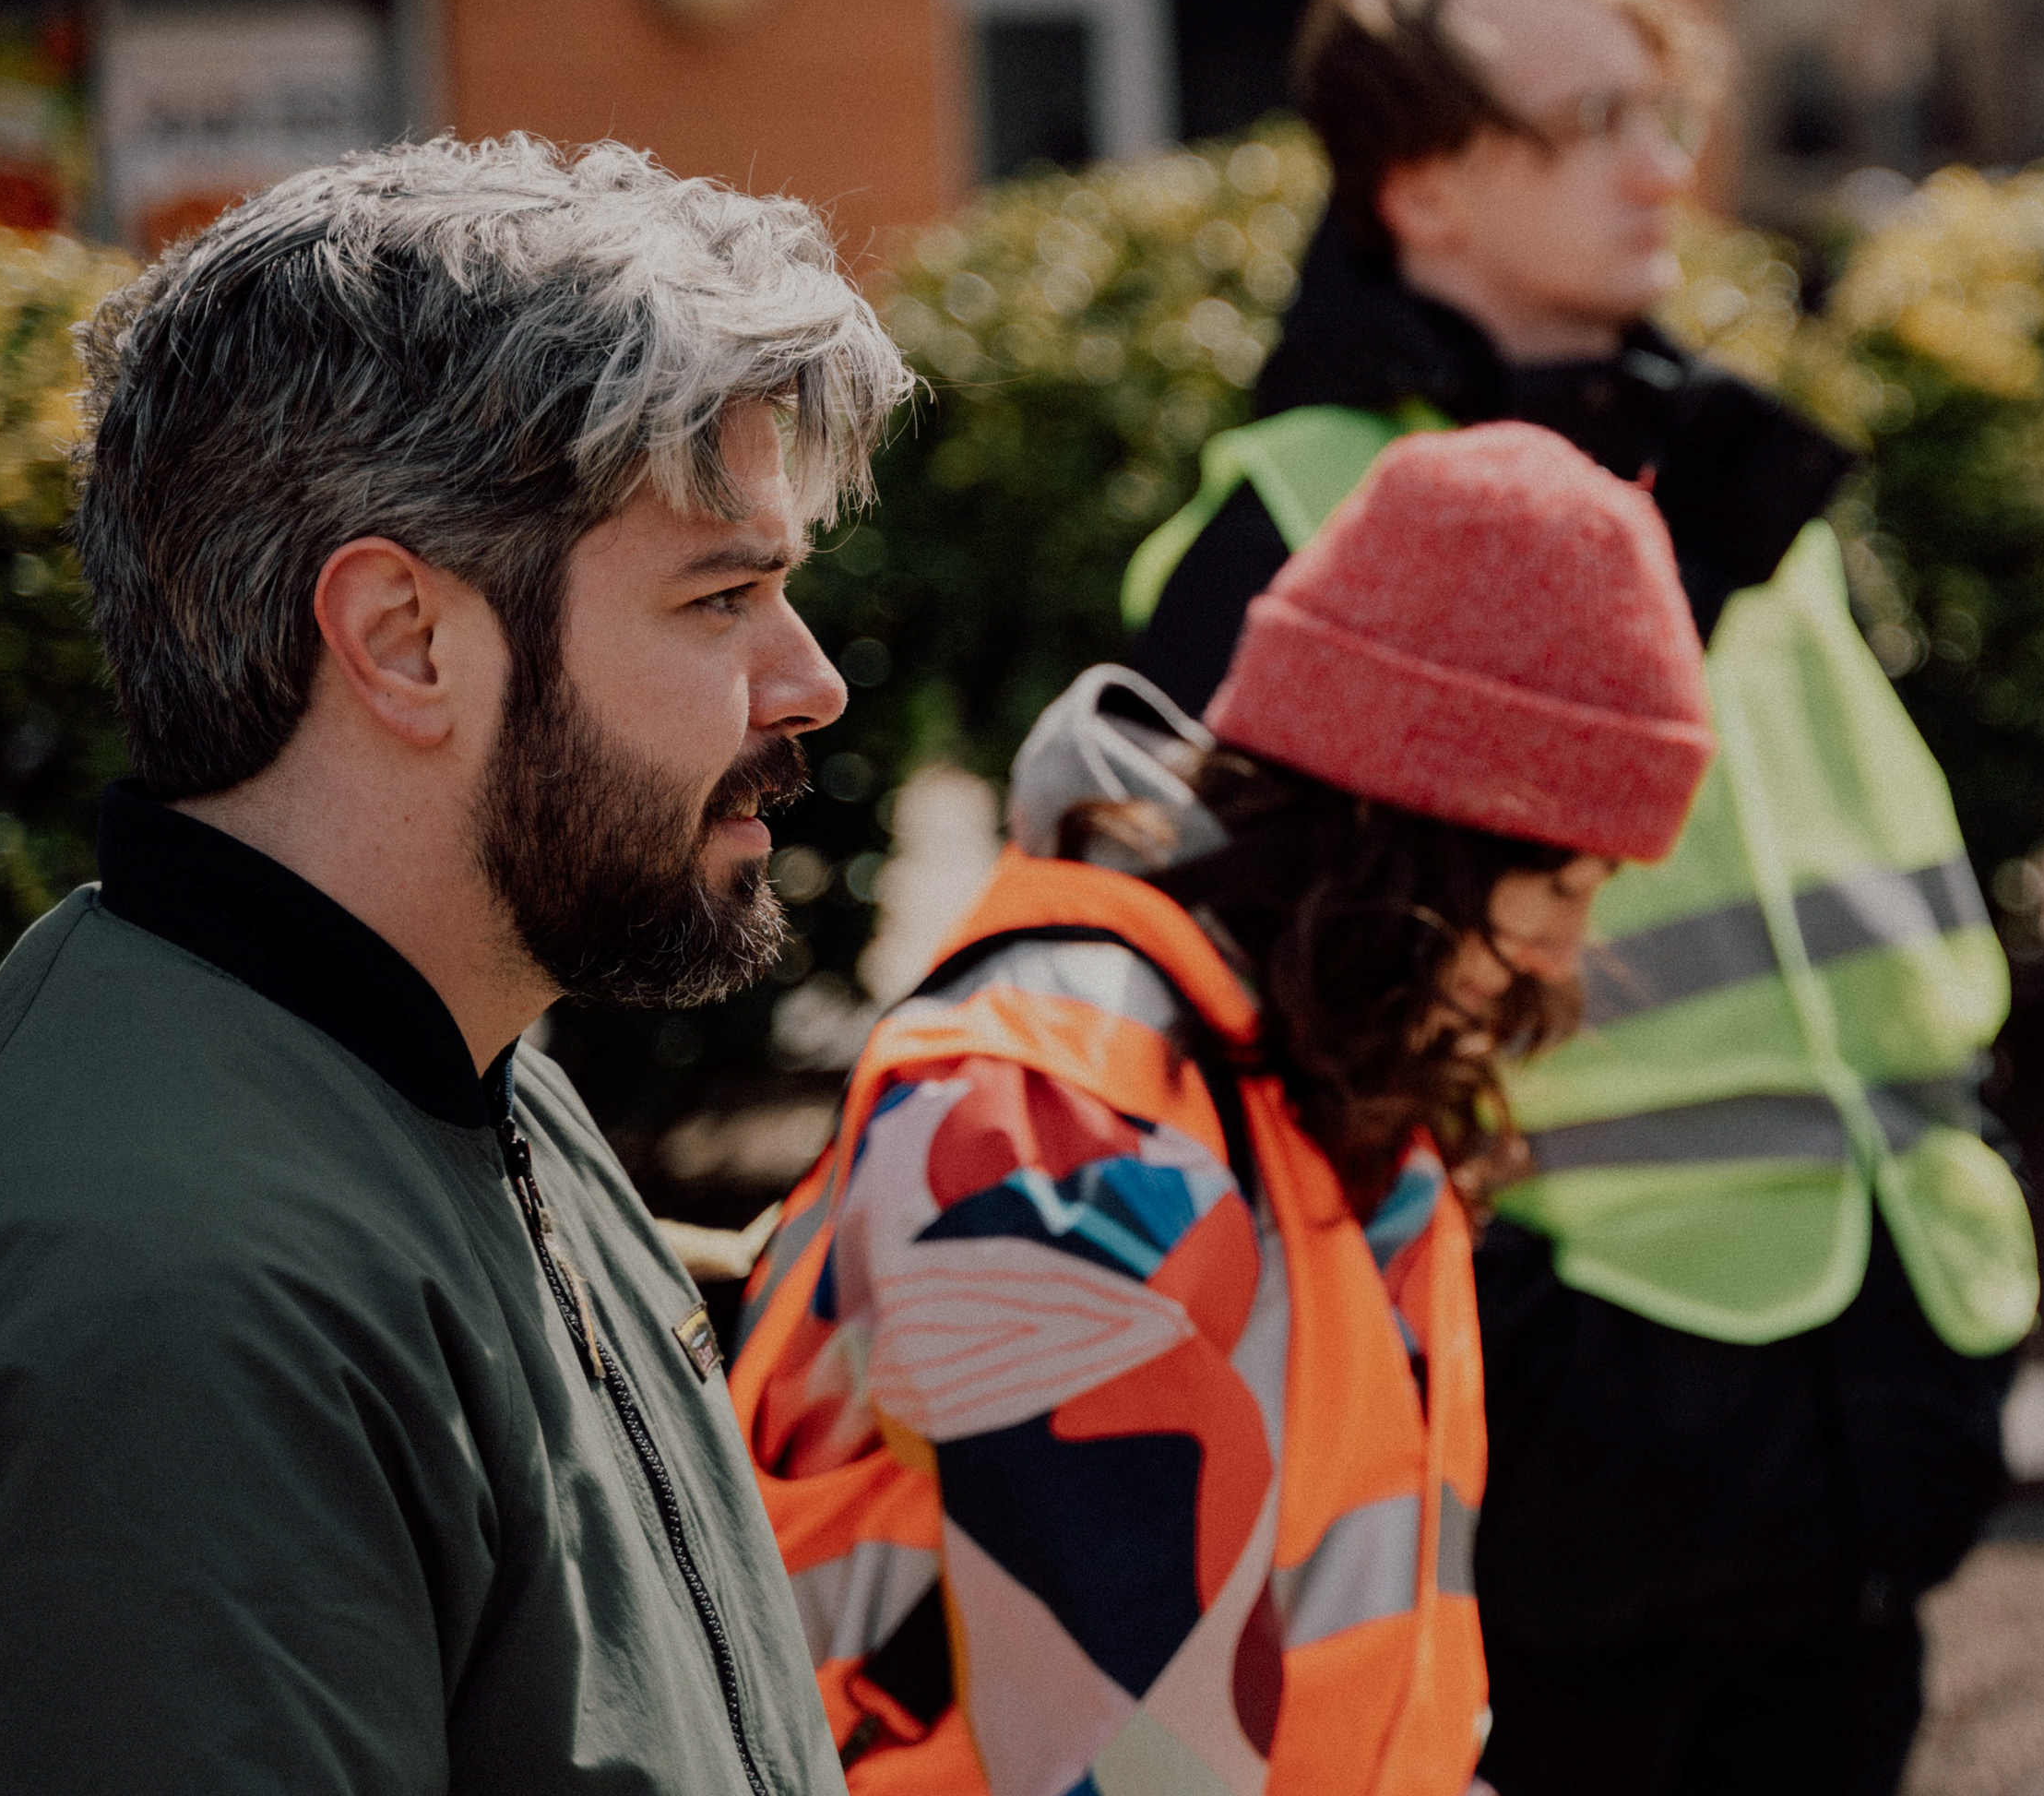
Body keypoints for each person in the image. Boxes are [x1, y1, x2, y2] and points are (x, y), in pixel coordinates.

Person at [0, 138, 908, 1792]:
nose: (811, 681)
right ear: (404, 641)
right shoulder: (177, 1317)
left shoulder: (449, 1054)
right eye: (723, 597)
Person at [1122, 0, 2033, 1796]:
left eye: (1664, 110)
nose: (1660, 167)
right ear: (1421, 186)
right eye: (1589, 119)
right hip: (1572, 1459)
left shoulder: (1731, 473)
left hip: (1877, 1390)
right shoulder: (1293, 518)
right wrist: (1496, 1358)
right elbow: (1220, 1048)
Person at [730, 424, 1717, 1793]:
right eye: (1557, 887)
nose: (1562, 958)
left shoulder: (1314, 1085)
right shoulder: (1059, 1120)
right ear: (1402, 839)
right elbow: (1124, 1770)